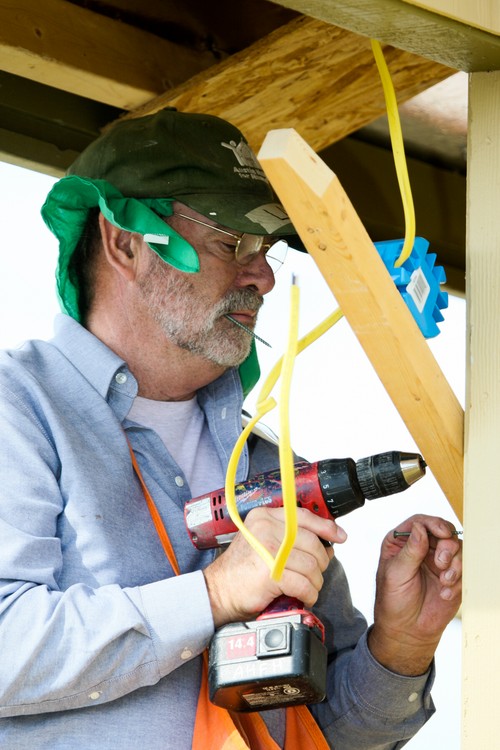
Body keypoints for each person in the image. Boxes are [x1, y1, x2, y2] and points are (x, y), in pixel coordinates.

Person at [0, 108, 462, 749]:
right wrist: (214, 594)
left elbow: (322, 733)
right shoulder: (17, 406)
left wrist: (400, 648)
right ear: (126, 242)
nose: (264, 277)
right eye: (231, 244)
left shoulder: (266, 463)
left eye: (265, 251)